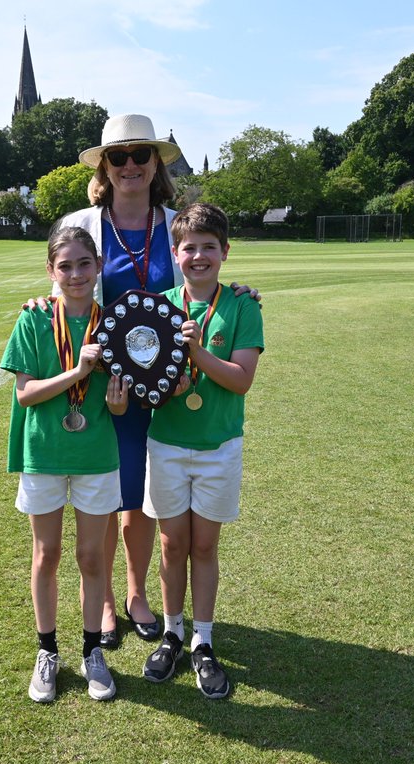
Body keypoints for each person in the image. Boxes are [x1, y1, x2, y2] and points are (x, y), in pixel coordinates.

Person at [39, 113, 259, 649]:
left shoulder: (177, 223)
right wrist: (38, 301)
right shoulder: (82, 223)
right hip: (103, 384)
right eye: (119, 156)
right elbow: (62, 283)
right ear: (104, 167)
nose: (130, 165)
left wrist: (240, 291)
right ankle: (104, 602)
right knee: (106, 490)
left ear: (157, 162)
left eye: (141, 155)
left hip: (168, 388)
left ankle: (137, 594)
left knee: (140, 495)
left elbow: (202, 277)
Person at [1, 226, 131, 703]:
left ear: (98, 267)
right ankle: (48, 651)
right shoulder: (34, 319)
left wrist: (116, 402)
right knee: (47, 554)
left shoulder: (114, 325)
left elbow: (119, 407)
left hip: (97, 455)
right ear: (50, 272)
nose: (75, 274)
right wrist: (78, 371)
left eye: (83, 263)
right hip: (45, 454)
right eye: (65, 266)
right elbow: (25, 393)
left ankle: (92, 651)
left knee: (92, 557)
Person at [140, 203, 263, 700]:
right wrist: (166, 386)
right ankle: (172, 633)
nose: (198, 256)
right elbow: (148, 383)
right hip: (167, 446)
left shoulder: (243, 306)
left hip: (218, 448)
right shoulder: (158, 307)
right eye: (189, 248)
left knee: (205, 547)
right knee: (172, 545)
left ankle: (203, 641)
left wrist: (196, 353)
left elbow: (241, 380)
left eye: (209, 247)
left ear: (225, 252)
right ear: (175, 254)